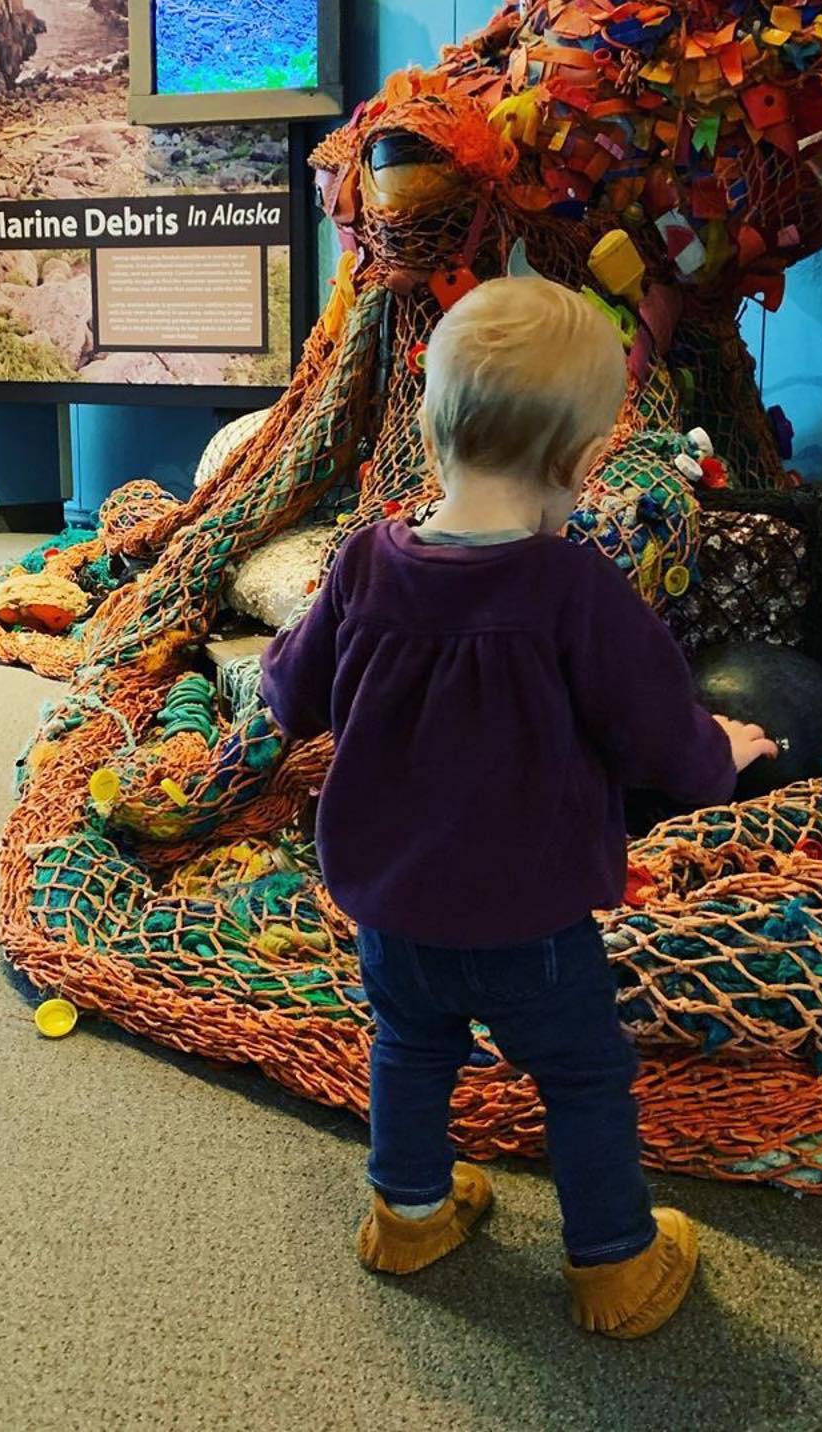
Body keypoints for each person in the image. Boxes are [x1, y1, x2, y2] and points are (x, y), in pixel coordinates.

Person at [260, 275, 775, 1339]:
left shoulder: (362, 563)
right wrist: (726, 752)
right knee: (584, 1075)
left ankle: (407, 1216)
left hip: (391, 914)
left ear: (431, 426)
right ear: (582, 464)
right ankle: (615, 1265)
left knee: (409, 1047)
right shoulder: (574, 589)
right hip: (531, 923)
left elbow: (292, 691)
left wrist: (272, 686)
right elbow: (661, 736)